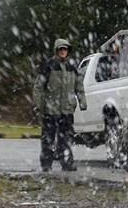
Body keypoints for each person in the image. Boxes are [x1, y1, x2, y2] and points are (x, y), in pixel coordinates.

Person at [33, 38, 88, 171]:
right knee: (48, 138)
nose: (63, 51)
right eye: (61, 49)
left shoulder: (72, 68)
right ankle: (46, 164)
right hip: (50, 110)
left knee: (67, 138)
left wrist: (82, 102)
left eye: (65, 49)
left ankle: (67, 162)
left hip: (67, 110)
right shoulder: (48, 66)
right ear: (56, 50)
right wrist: (38, 104)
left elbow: (79, 87)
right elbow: (38, 87)